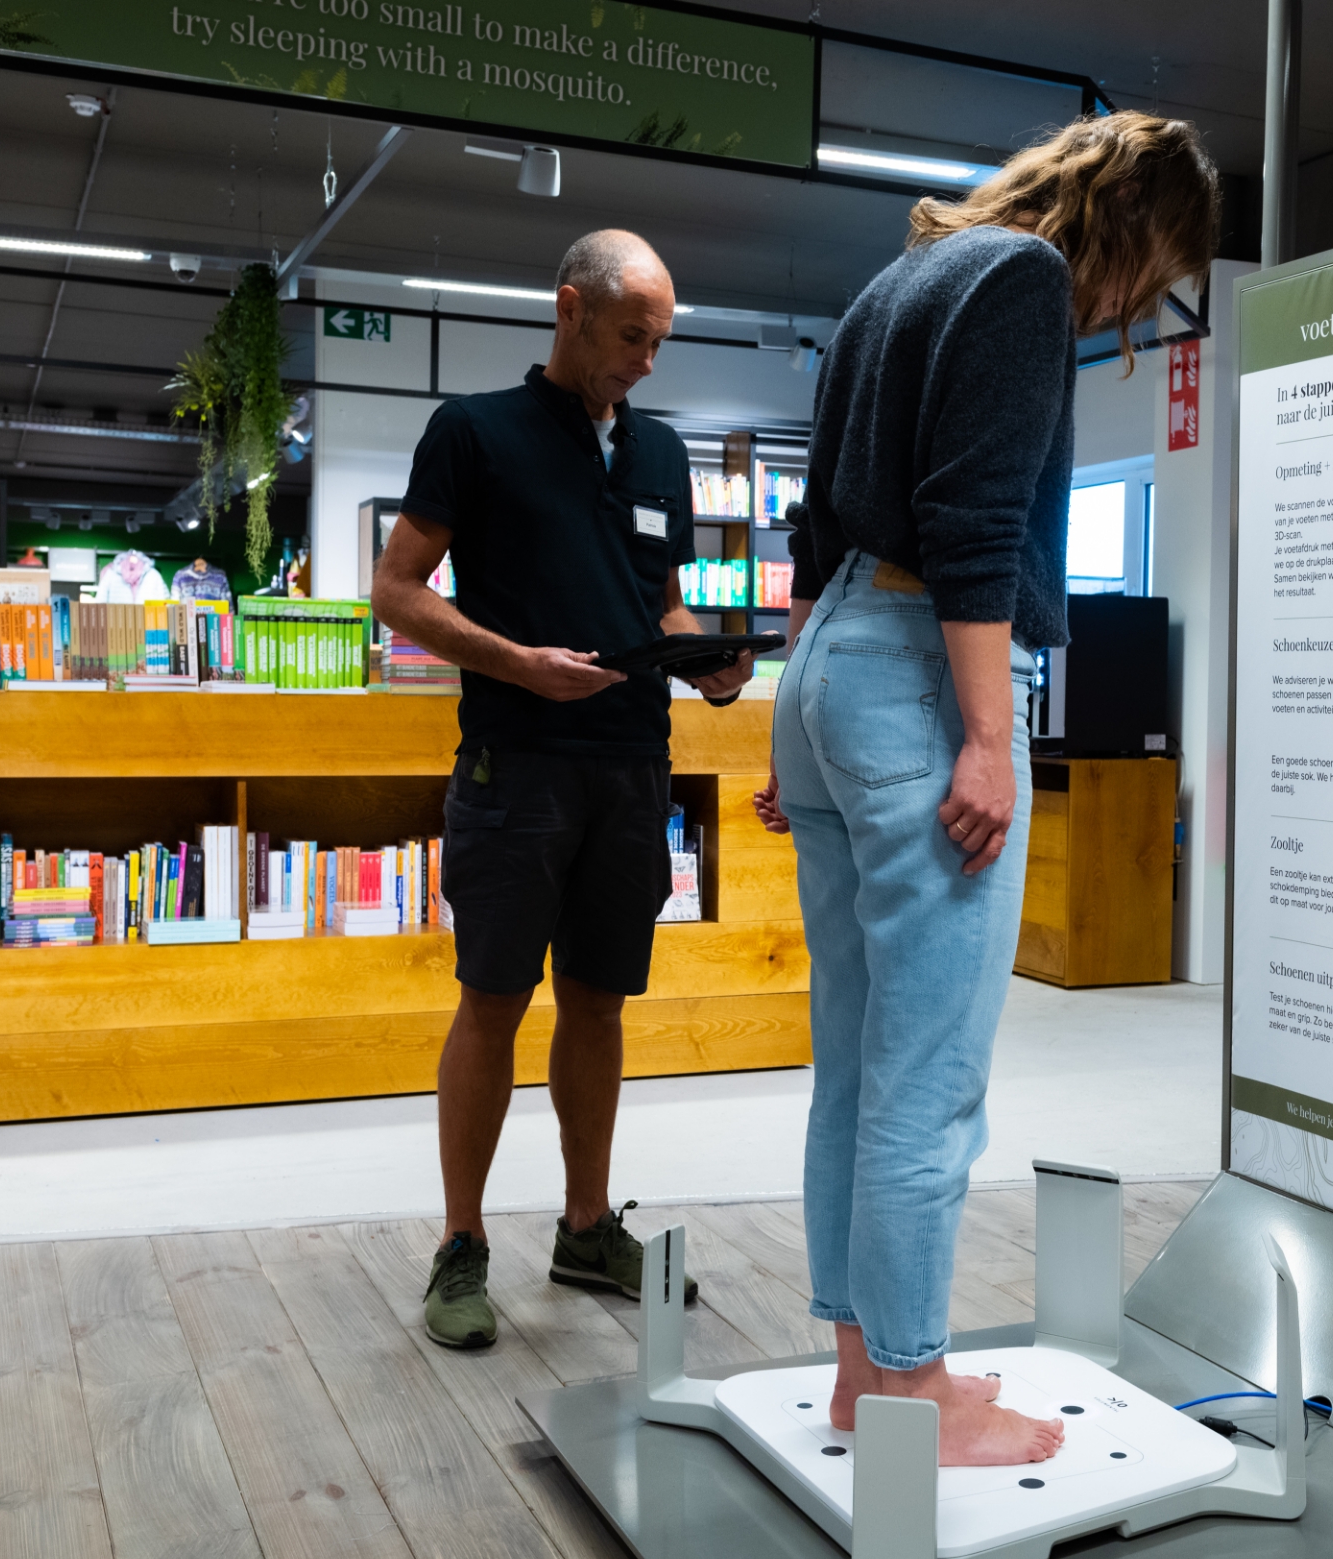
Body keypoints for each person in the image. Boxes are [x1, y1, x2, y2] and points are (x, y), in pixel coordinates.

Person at [753, 113, 1219, 1463]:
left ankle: (863, 1373)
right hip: (919, 671)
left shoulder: (901, 276)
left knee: (854, 1064)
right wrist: (989, 739)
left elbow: (817, 522)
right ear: (1131, 224)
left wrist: (797, 732)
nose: (1136, 305)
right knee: (928, 1076)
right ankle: (914, 1392)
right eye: (1157, 270)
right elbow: (971, 523)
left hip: (831, 667)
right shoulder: (1021, 279)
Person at [373, 229, 752, 1350]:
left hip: (631, 767)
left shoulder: (661, 453)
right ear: (570, 311)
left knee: (599, 1001)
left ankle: (586, 1228)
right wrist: (517, 663)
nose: (646, 360)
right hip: (516, 764)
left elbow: (660, 603)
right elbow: (397, 589)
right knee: (492, 999)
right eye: (632, 336)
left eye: (660, 342)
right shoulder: (474, 431)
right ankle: (461, 1245)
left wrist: (706, 659)